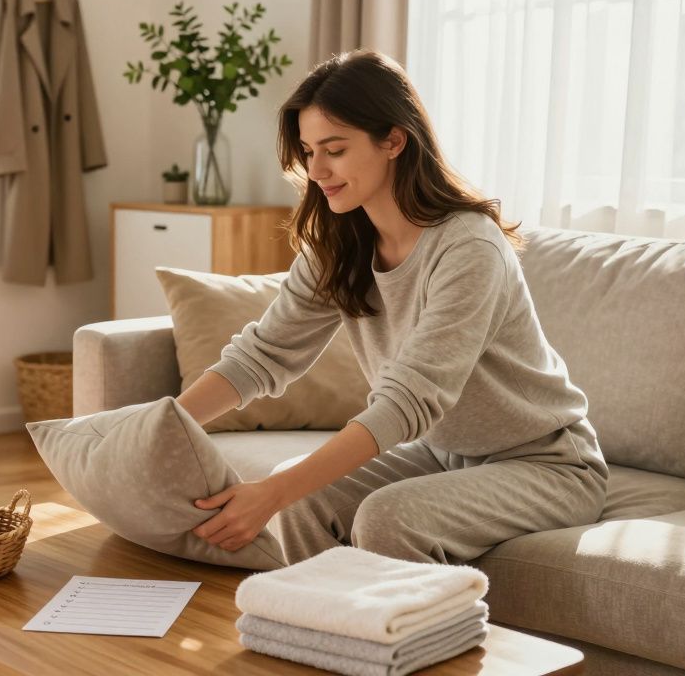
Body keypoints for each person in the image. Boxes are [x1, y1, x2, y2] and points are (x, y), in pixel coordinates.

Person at [176, 50, 608, 566]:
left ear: (394, 141)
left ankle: (408, 645)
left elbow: (410, 400)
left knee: (383, 516)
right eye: (309, 151)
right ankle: (323, 637)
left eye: (334, 149)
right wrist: (158, 427)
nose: (316, 170)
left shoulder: (469, 247)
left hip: (548, 465)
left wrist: (272, 493)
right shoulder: (341, 243)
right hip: (441, 454)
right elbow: (262, 355)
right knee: (304, 504)